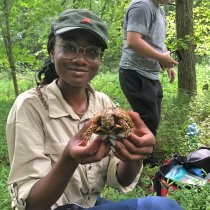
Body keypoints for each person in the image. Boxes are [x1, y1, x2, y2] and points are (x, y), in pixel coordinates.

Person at [6, 8, 182, 210]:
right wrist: (68, 159)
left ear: (99, 60)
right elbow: (33, 205)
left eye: (91, 52)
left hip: (86, 203)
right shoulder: (30, 105)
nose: (81, 60)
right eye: (69, 47)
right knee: (160, 207)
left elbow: (122, 179)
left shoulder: (104, 104)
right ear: (52, 52)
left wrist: (134, 154)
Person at [119, 0, 178, 137]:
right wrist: (161, 58)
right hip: (134, 73)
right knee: (149, 120)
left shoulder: (159, 9)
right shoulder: (142, 6)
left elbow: (158, 42)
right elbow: (133, 40)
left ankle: (143, 154)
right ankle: (138, 156)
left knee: (152, 120)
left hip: (150, 74)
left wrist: (167, 62)